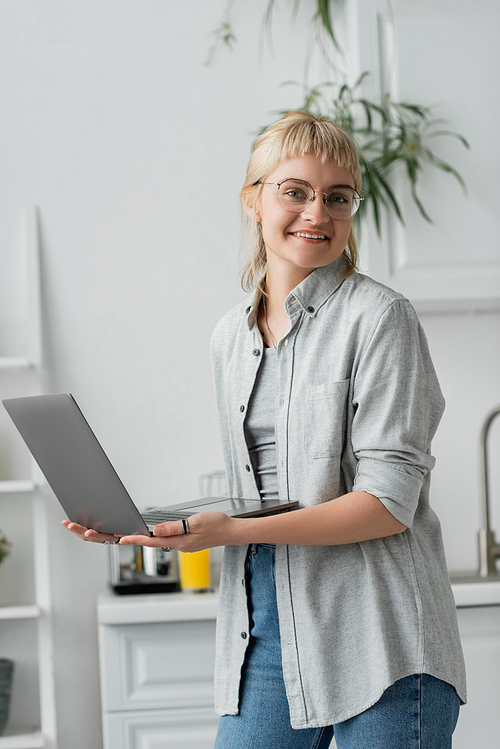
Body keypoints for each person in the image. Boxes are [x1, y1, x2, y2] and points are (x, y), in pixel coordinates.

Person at [63, 111, 466, 748]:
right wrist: (170, 523)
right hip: (265, 631)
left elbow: (388, 504)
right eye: (295, 191)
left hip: (383, 639)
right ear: (253, 200)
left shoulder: (381, 318)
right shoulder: (231, 336)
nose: (318, 212)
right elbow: (269, 486)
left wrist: (232, 529)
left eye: (338, 198)